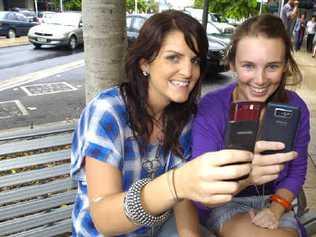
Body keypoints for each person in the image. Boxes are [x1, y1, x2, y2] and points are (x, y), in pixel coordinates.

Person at [71, 10, 256, 237]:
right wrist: (176, 183)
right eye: (173, 58)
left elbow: (183, 199)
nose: (188, 72)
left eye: (195, 60)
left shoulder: (183, 117)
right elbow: (104, 221)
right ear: (145, 63)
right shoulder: (108, 112)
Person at [192, 14, 310, 237]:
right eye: (248, 66)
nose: (260, 79)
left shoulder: (295, 107)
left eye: (272, 66)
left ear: (285, 66)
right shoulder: (213, 107)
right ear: (232, 64)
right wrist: (249, 176)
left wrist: (275, 210)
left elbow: (297, 170)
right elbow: (204, 185)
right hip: (226, 203)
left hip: (277, 202)